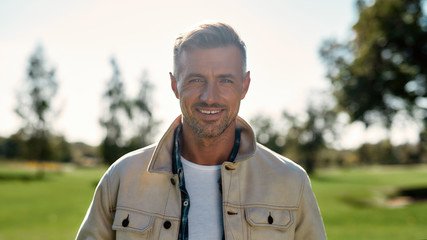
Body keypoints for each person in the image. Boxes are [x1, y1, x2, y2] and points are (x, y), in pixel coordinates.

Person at [76, 22, 327, 240]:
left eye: (225, 80)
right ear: (175, 85)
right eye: (196, 80)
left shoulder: (291, 182)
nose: (209, 97)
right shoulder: (122, 178)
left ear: (244, 85)